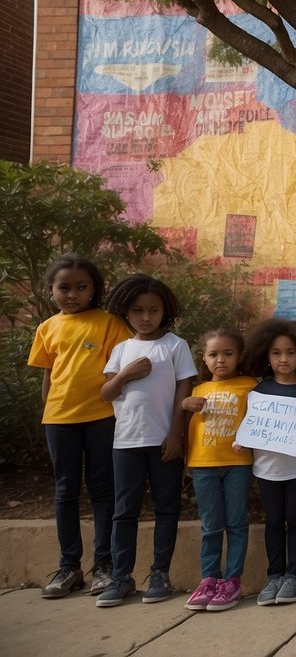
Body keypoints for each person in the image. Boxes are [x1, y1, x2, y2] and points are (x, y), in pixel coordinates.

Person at [28, 254, 128, 598]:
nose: (72, 294)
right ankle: (69, 566)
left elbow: (120, 371)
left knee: (103, 489)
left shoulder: (108, 323)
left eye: (81, 287)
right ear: (51, 289)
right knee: (64, 491)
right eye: (64, 287)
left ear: (94, 289)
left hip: (102, 417)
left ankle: (104, 565)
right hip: (59, 420)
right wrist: (50, 411)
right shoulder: (47, 328)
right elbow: (48, 374)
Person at [96, 275, 197, 607]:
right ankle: (121, 577)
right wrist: (125, 374)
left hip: (163, 440)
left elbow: (184, 391)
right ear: (125, 312)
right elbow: (106, 393)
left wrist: (175, 434)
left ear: (164, 311)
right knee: (124, 511)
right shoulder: (122, 350)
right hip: (126, 441)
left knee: (167, 508)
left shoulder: (174, 346)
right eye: (138, 310)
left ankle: (159, 574)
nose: (145, 317)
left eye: (153, 310)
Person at [244, 319, 296, 607]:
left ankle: (294, 576)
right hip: (267, 470)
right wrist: (241, 439)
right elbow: (250, 426)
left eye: (290, 352)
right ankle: (274, 574)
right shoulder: (258, 392)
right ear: (266, 355)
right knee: (274, 522)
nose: (283, 359)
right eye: (276, 353)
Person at [182, 328, 258, 612]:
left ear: (240, 356)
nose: (221, 360)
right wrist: (183, 404)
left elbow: (266, 415)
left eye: (228, 354)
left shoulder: (251, 386)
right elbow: (179, 426)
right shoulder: (196, 391)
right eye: (214, 355)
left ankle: (232, 581)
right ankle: (209, 579)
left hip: (238, 464)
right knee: (210, 525)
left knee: (237, 522)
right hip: (204, 466)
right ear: (204, 358)